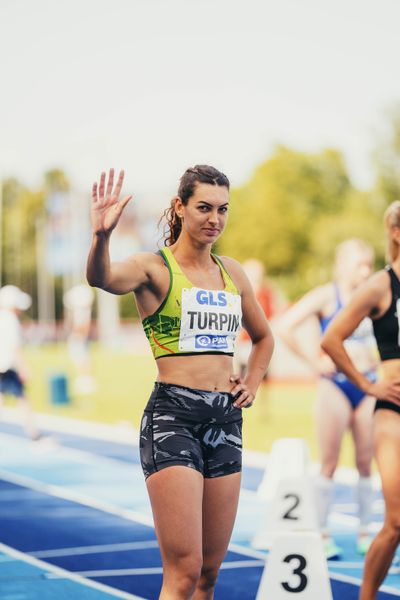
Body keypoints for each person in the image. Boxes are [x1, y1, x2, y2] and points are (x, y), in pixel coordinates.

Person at [86, 165, 274, 599]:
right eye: (204, 207)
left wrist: (254, 380)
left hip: (225, 421)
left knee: (209, 573)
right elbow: (101, 278)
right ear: (180, 207)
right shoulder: (153, 268)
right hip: (174, 419)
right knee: (183, 572)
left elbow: (264, 338)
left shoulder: (233, 273)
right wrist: (100, 236)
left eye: (223, 209)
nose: (215, 219)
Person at [276, 239, 378, 558]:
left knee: (365, 462)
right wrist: (313, 361)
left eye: (369, 264)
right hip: (335, 385)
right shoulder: (326, 295)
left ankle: (365, 531)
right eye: (359, 264)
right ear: (342, 264)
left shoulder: (374, 297)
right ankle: (321, 532)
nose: (365, 271)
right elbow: (285, 325)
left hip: (369, 385)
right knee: (330, 463)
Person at [321, 203, 400, 600]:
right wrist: (368, 386)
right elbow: (331, 339)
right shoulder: (382, 286)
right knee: (397, 521)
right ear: (397, 233)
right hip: (393, 411)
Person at [0, 285, 41, 441]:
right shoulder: (10, 320)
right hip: (6, 366)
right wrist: (24, 367)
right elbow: (14, 347)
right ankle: (33, 433)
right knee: (23, 399)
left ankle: (33, 432)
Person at [235, 258, 285, 381]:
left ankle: (263, 398)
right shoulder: (238, 289)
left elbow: (277, 309)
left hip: (260, 336)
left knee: (262, 372)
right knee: (241, 372)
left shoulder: (267, 291)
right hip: (244, 339)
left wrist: (270, 326)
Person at [63, 283, 96, 394]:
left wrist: (79, 336)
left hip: (80, 338)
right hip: (79, 337)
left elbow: (84, 327)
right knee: (79, 359)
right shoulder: (80, 311)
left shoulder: (84, 311)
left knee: (82, 359)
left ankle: (85, 380)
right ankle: (83, 379)